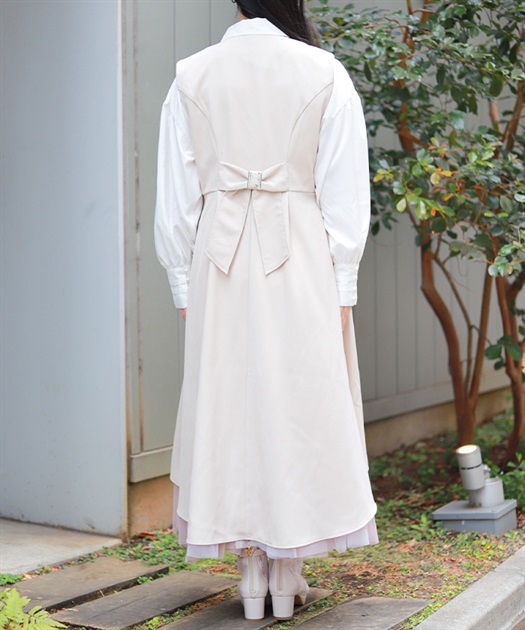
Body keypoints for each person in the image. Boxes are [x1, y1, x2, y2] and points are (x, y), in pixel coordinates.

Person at [154, 0, 378, 621]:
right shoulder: (323, 72)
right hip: (301, 257)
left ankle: (251, 570)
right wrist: (343, 282)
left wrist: (182, 282)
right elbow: (344, 190)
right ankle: (285, 568)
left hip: (218, 259)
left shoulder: (191, 74)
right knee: (298, 401)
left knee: (227, 405)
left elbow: (176, 196)